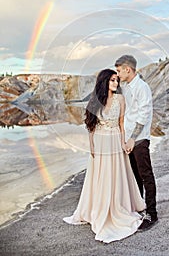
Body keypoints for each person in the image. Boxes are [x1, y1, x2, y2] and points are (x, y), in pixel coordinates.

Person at [63, 69, 145, 243]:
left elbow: (122, 124)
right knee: (100, 175)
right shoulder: (96, 100)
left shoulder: (120, 99)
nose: (116, 83)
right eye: (112, 80)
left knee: (115, 175)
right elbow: (91, 126)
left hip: (115, 140)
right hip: (100, 142)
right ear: (104, 82)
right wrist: (91, 145)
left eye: (117, 80)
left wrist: (123, 142)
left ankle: (116, 208)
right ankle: (98, 208)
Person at [115, 55, 158, 231]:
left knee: (146, 174)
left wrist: (133, 138)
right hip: (129, 139)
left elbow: (144, 114)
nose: (118, 74)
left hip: (139, 139)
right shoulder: (125, 87)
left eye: (119, 71)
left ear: (128, 69)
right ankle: (139, 208)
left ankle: (152, 214)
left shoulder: (142, 87)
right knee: (135, 176)